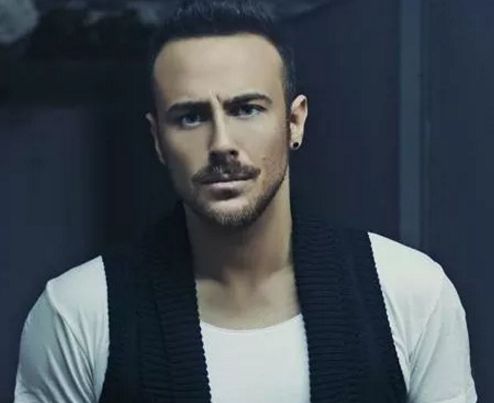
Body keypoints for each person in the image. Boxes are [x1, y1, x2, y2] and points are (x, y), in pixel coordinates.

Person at [14, 1, 476, 402]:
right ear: (157, 140)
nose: (222, 143)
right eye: (191, 117)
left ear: (294, 122)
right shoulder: (77, 313)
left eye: (246, 109)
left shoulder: (410, 292)